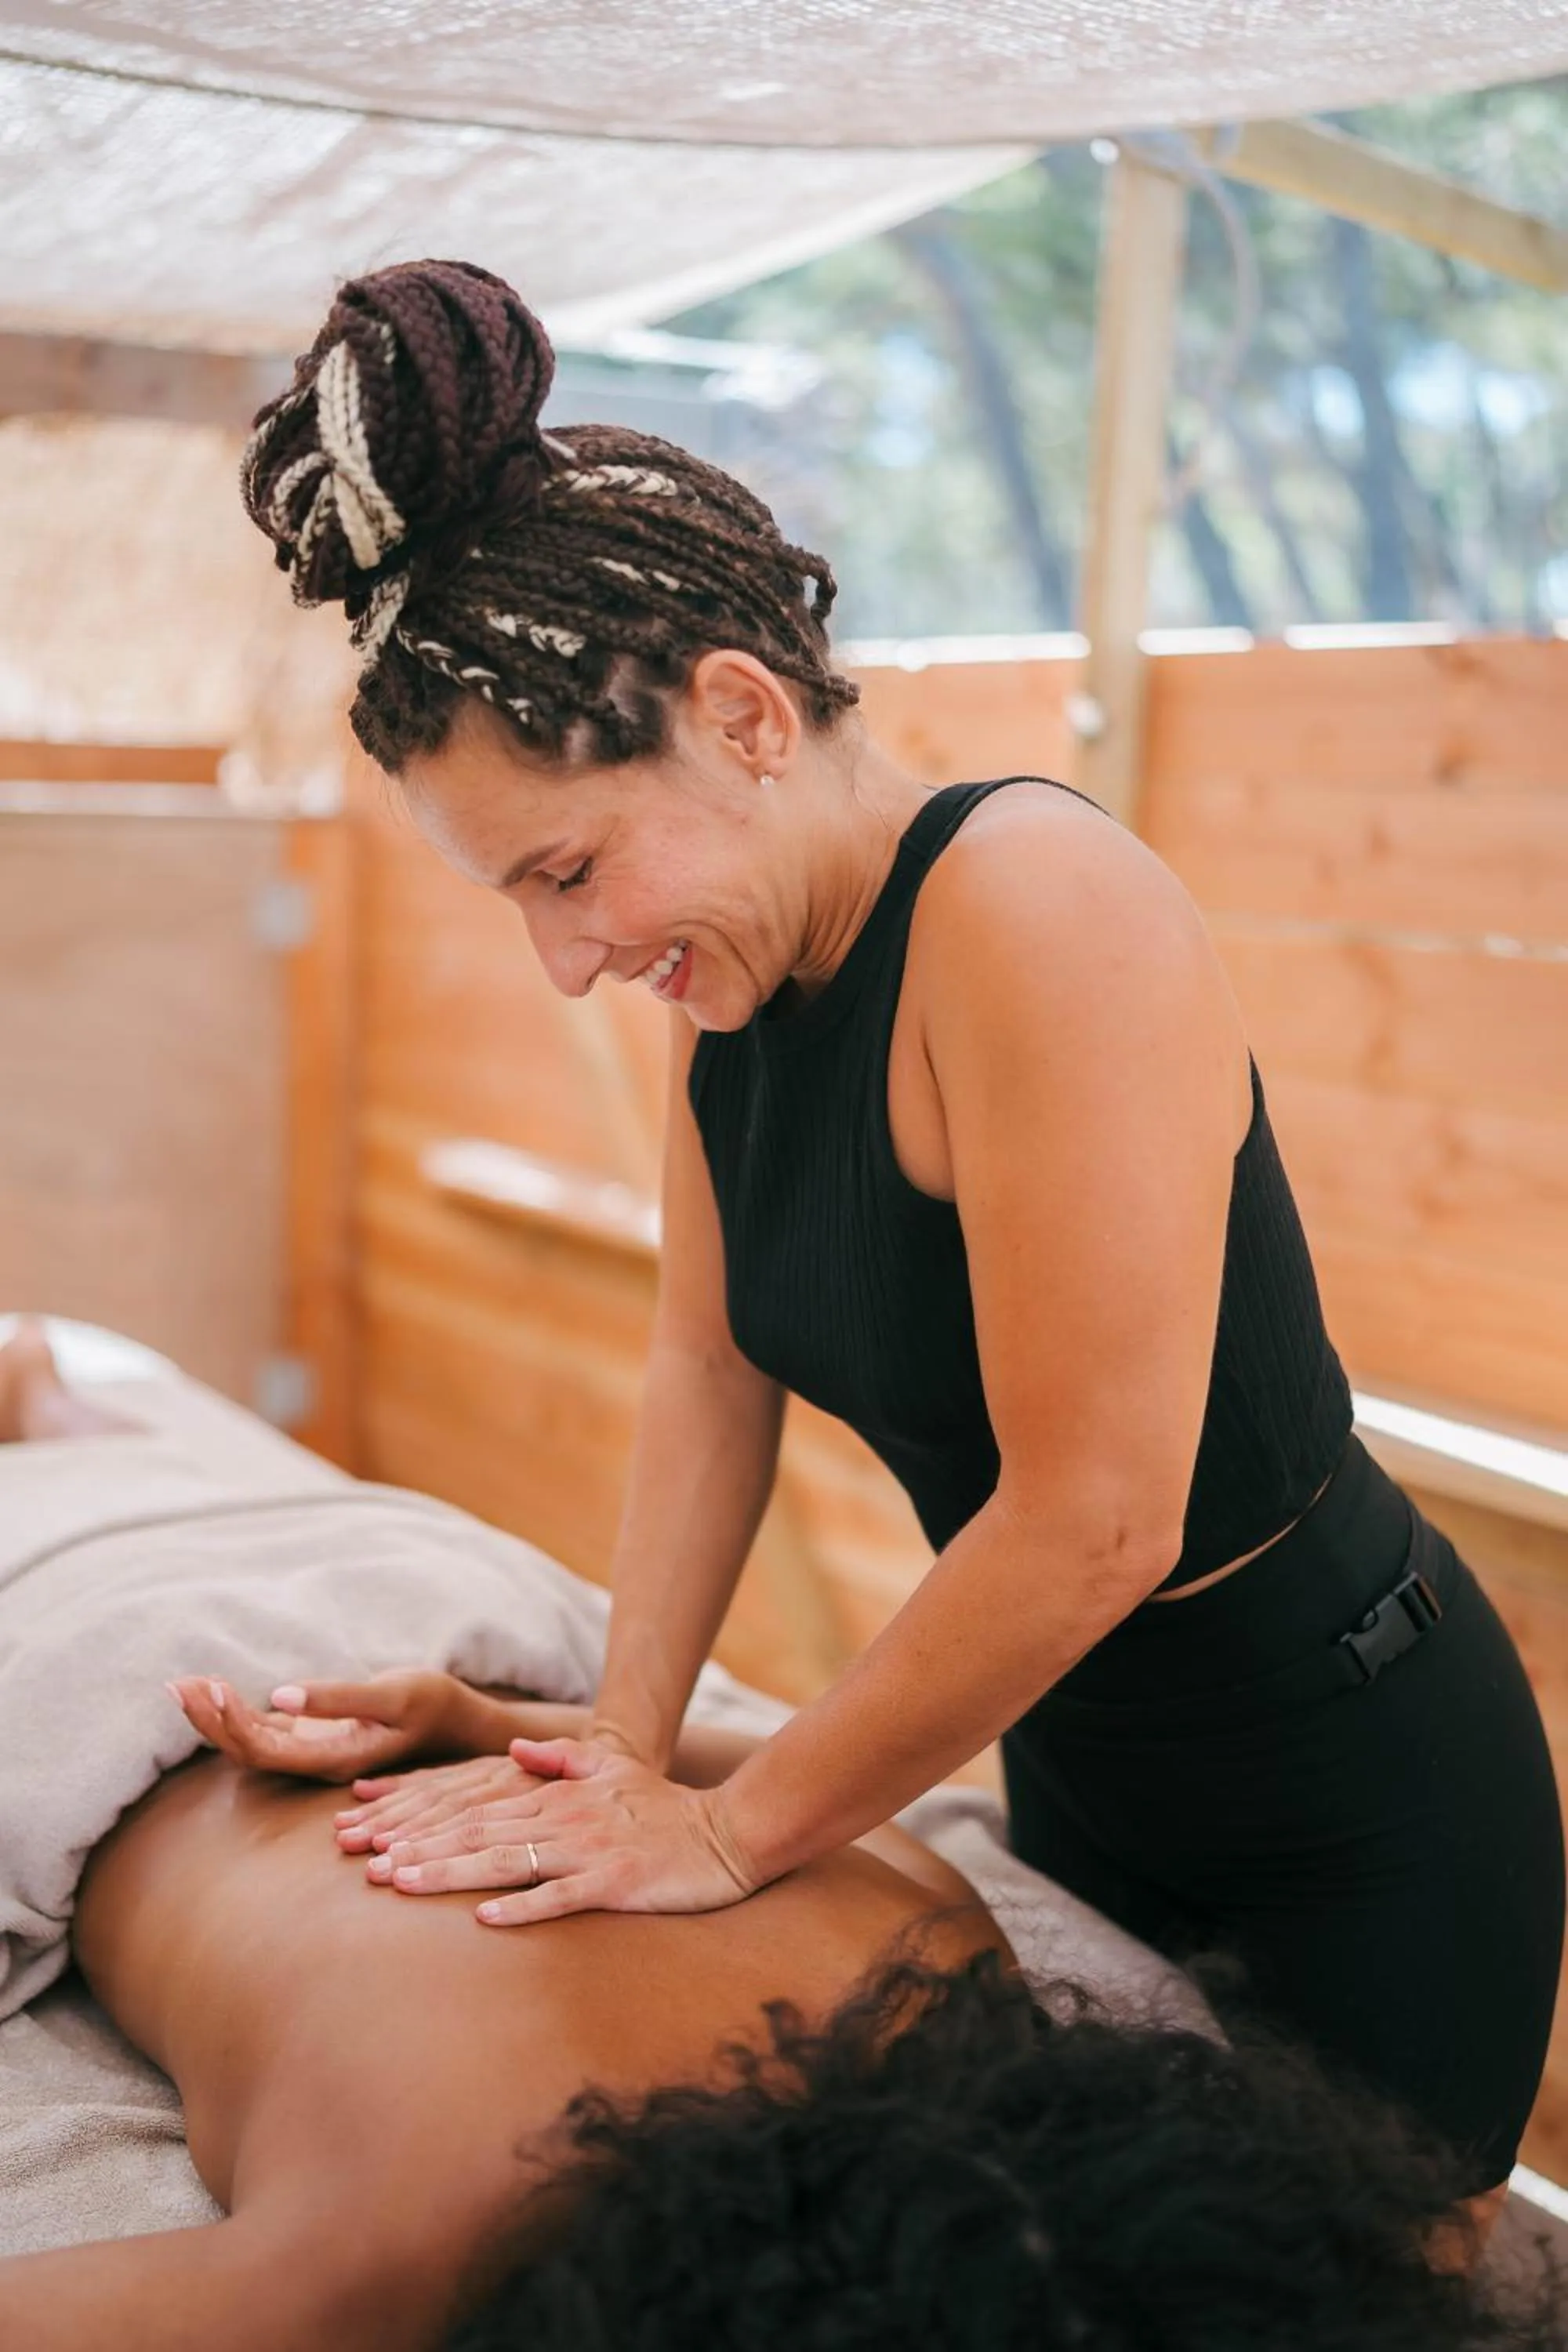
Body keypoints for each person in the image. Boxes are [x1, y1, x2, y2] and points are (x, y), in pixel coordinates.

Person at [238, 256, 1563, 2221]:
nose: (567, 958)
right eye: (518, 900)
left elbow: (1095, 1517)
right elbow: (707, 1367)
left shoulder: (1034, 905)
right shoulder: (728, 983)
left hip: (1347, 1789)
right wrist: (611, 1750)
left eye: (570, 871)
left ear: (743, 716)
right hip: (1084, 1763)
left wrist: (724, 1834)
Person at [5, 1327, 1556, 2352]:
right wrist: (481, 1721)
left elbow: (788, 1786)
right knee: (134, 1456)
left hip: (424, 1620)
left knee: (147, 1456)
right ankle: (57, 1406)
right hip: (205, 1652)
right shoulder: (399, 2250)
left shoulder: (955, 1984)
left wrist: (490, 1719)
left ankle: (57, 1405)